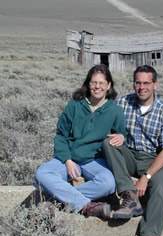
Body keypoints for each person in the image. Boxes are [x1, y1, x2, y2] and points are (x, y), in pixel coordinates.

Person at [102, 65, 163, 236]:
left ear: (155, 84)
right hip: (128, 154)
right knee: (108, 143)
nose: (142, 87)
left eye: (146, 83)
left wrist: (146, 177)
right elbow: (100, 115)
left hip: (153, 159)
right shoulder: (122, 103)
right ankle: (129, 196)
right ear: (134, 84)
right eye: (138, 83)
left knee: (159, 188)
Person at [34, 64, 127, 219]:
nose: (97, 87)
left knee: (108, 183)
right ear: (88, 83)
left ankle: (58, 201)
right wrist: (68, 160)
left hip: (95, 161)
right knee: (42, 173)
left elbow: (122, 134)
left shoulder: (115, 111)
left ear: (109, 85)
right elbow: (61, 135)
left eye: (102, 83)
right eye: (93, 82)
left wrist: (122, 137)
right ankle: (87, 206)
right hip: (70, 159)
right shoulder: (75, 105)